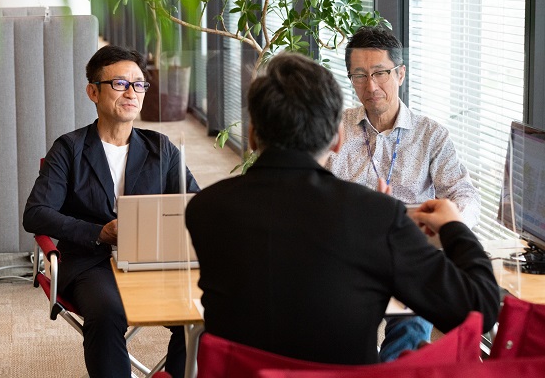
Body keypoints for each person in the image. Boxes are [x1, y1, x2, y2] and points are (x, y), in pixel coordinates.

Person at [185, 51, 499, 365]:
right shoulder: (375, 216)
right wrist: (455, 227)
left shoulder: (204, 210)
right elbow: (479, 310)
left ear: (252, 136)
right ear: (338, 138)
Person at [23, 45, 200, 378]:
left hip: (153, 260)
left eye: (139, 84)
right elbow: (35, 213)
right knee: (107, 312)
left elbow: (195, 203)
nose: (132, 92)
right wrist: (97, 232)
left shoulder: (161, 149)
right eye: (120, 83)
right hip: (92, 262)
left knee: (202, 312)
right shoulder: (69, 149)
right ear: (93, 91)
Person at [326, 26, 482, 362]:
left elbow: (465, 195)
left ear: (400, 74)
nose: (371, 86)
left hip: (412, 256)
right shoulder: (333, 129)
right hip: (349, 258)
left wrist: (450, 224)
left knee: (410, 330)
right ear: (350, 79)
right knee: (345, 332)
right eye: (360, 75)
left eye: (380, 73)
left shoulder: (431, 135)